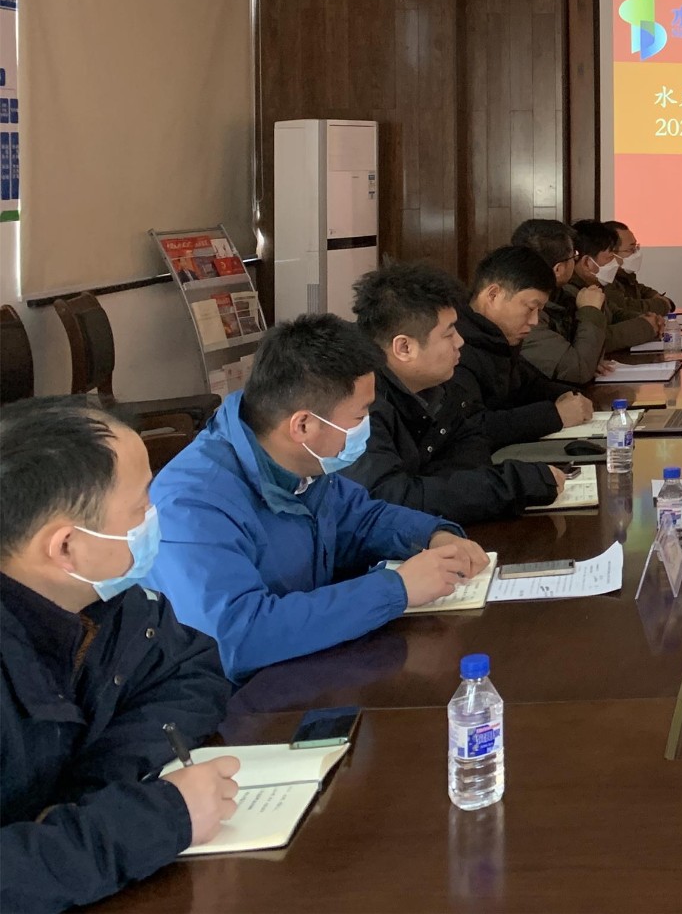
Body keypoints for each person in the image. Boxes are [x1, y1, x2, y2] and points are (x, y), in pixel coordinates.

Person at [146, 315, 490, 681]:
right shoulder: (191, 504)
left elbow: (360, 517)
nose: (367, 426)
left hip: (305, 666)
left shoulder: (300, 462)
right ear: (303, 425)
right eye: (360, 414)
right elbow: (236, 638)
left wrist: (434, 535)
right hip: (233, 697)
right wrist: (396, 589)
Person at [1, 399, 239, 913]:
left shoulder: (99, 599)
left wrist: (100, 785)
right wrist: (156, 819)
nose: (155, 517)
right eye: (141, 507)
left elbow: (190, 669)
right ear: (67, 547)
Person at [347, 262, 567, 524]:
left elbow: (472, 453)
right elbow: (391, 502)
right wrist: (514, 485)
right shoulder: (357, 406)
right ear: (404, 348)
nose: (460, 342)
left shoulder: (441, 389)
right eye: (449, 334)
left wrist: (433, 490)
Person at [450, 244, 595, 449]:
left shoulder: (497, 339)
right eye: (530, 308)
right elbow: (471, 427)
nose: (534, 321)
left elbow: (529, 384)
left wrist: (567, 395)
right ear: (493, 295)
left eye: (539, 311)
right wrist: (554, 416)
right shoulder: (455, 347)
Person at [511, 218, 608, 385]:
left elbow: (592, 355)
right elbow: (578, 371)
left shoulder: (565, 295)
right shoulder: (525, 312)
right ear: (558, 269)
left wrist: (588, 360)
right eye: (574, 256)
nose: (575, 262)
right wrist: (590, 312)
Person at [572, 219, 665, 351]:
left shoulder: (593, 286)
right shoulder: (570, 293)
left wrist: (649, 319)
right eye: (610, 258)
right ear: (587, 262)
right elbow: (597, 339)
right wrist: (646, 326)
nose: (616, 263)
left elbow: (615, 313)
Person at [606, 219, 674, 326]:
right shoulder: (604, 280)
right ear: (610, 253)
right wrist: (663, 304)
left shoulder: (625, 276)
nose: (636, 253)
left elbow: (642, 290)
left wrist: (657, 296)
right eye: (631, 249)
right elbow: (627, 307)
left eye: (636, 247)